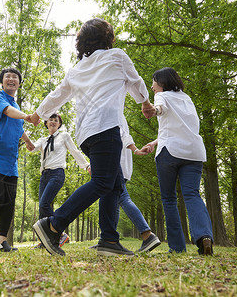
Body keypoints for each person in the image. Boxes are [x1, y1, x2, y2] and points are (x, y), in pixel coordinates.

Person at [29, 18, 155, 256]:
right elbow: (136, 82)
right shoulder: (117, 56)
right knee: (103, 182)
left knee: (114, 185)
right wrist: (145, 103)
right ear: (108, 38)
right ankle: (53, 225)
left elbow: (57, 95)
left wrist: (38, 114)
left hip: (86, 134)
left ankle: (109, 240)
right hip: (107, 128)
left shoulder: (77, 69)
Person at [143, 67, 213, 255]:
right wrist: (155, 141)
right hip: (194, 152)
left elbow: (159, 109)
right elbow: (183, 127)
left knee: (169, 199)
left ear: (163, 82)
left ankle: (177, 248)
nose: (152, 86)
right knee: (192, 195)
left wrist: (152, 110)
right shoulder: (187, 99)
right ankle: (204, 237)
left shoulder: (162, 96)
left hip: (170, 153)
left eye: (154, 82)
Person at [0, 68, 36, 252]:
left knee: (10, 200)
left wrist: (27, 141)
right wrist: (27, 116)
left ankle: (2, 240)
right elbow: (8, 112)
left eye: (15, 77)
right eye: (7, 77)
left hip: (11, 161)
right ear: (2, 82)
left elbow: (18, 128)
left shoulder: (16, 107)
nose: (11, 79)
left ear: (19, 83)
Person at [90, 118, 161, 252]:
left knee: (123, 199)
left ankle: (147, 235)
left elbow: (123, 135)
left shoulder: (113, 112)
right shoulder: (111, 110)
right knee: (113, 204)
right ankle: (108, 240)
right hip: (117, 164)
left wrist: (135, 150)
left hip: (116, 165)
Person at [32, 113, 91, 248]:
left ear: (59, 124)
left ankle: (59, 232)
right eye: (50, 120)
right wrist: (20, 133)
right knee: (42, 209)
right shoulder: (43, 139)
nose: (53, 122)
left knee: (44, 204)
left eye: (56, 120)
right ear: (46, 123)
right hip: (44, 175)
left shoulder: (64, 136)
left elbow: (74, 151)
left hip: (57, 173)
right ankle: (46, 241)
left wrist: (86, 165)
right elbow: (32, 148)